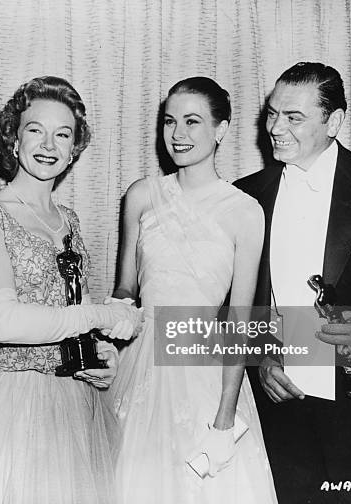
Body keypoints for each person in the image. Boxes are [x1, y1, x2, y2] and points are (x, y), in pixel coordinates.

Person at [0, 76, 143, 504]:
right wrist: (101, 315)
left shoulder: (70, 220)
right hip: (3, 403)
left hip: (74, 404)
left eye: (63, 134)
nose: (48, 144)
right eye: (35, 129)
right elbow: (2, 321)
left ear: (74, 148)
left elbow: (68, 311)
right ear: (13, 139)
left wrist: (102, 354)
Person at [235, 61, 351, 504]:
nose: (275, 127)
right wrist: (259, 358)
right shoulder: (244, 195)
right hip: (279, 411)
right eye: (272, 113)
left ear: (335, 122)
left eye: (293, 117)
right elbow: (228, 305)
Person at [109, 77, 277, 503]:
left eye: (192, 121)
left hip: (204, 366)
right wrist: (114, 323)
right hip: (138, 362)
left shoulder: (245, 212)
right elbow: (126, 285)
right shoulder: (142, 195)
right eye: (170, 122)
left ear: (220, 130)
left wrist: (225, 415)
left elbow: (241, 321)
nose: (177, 134)